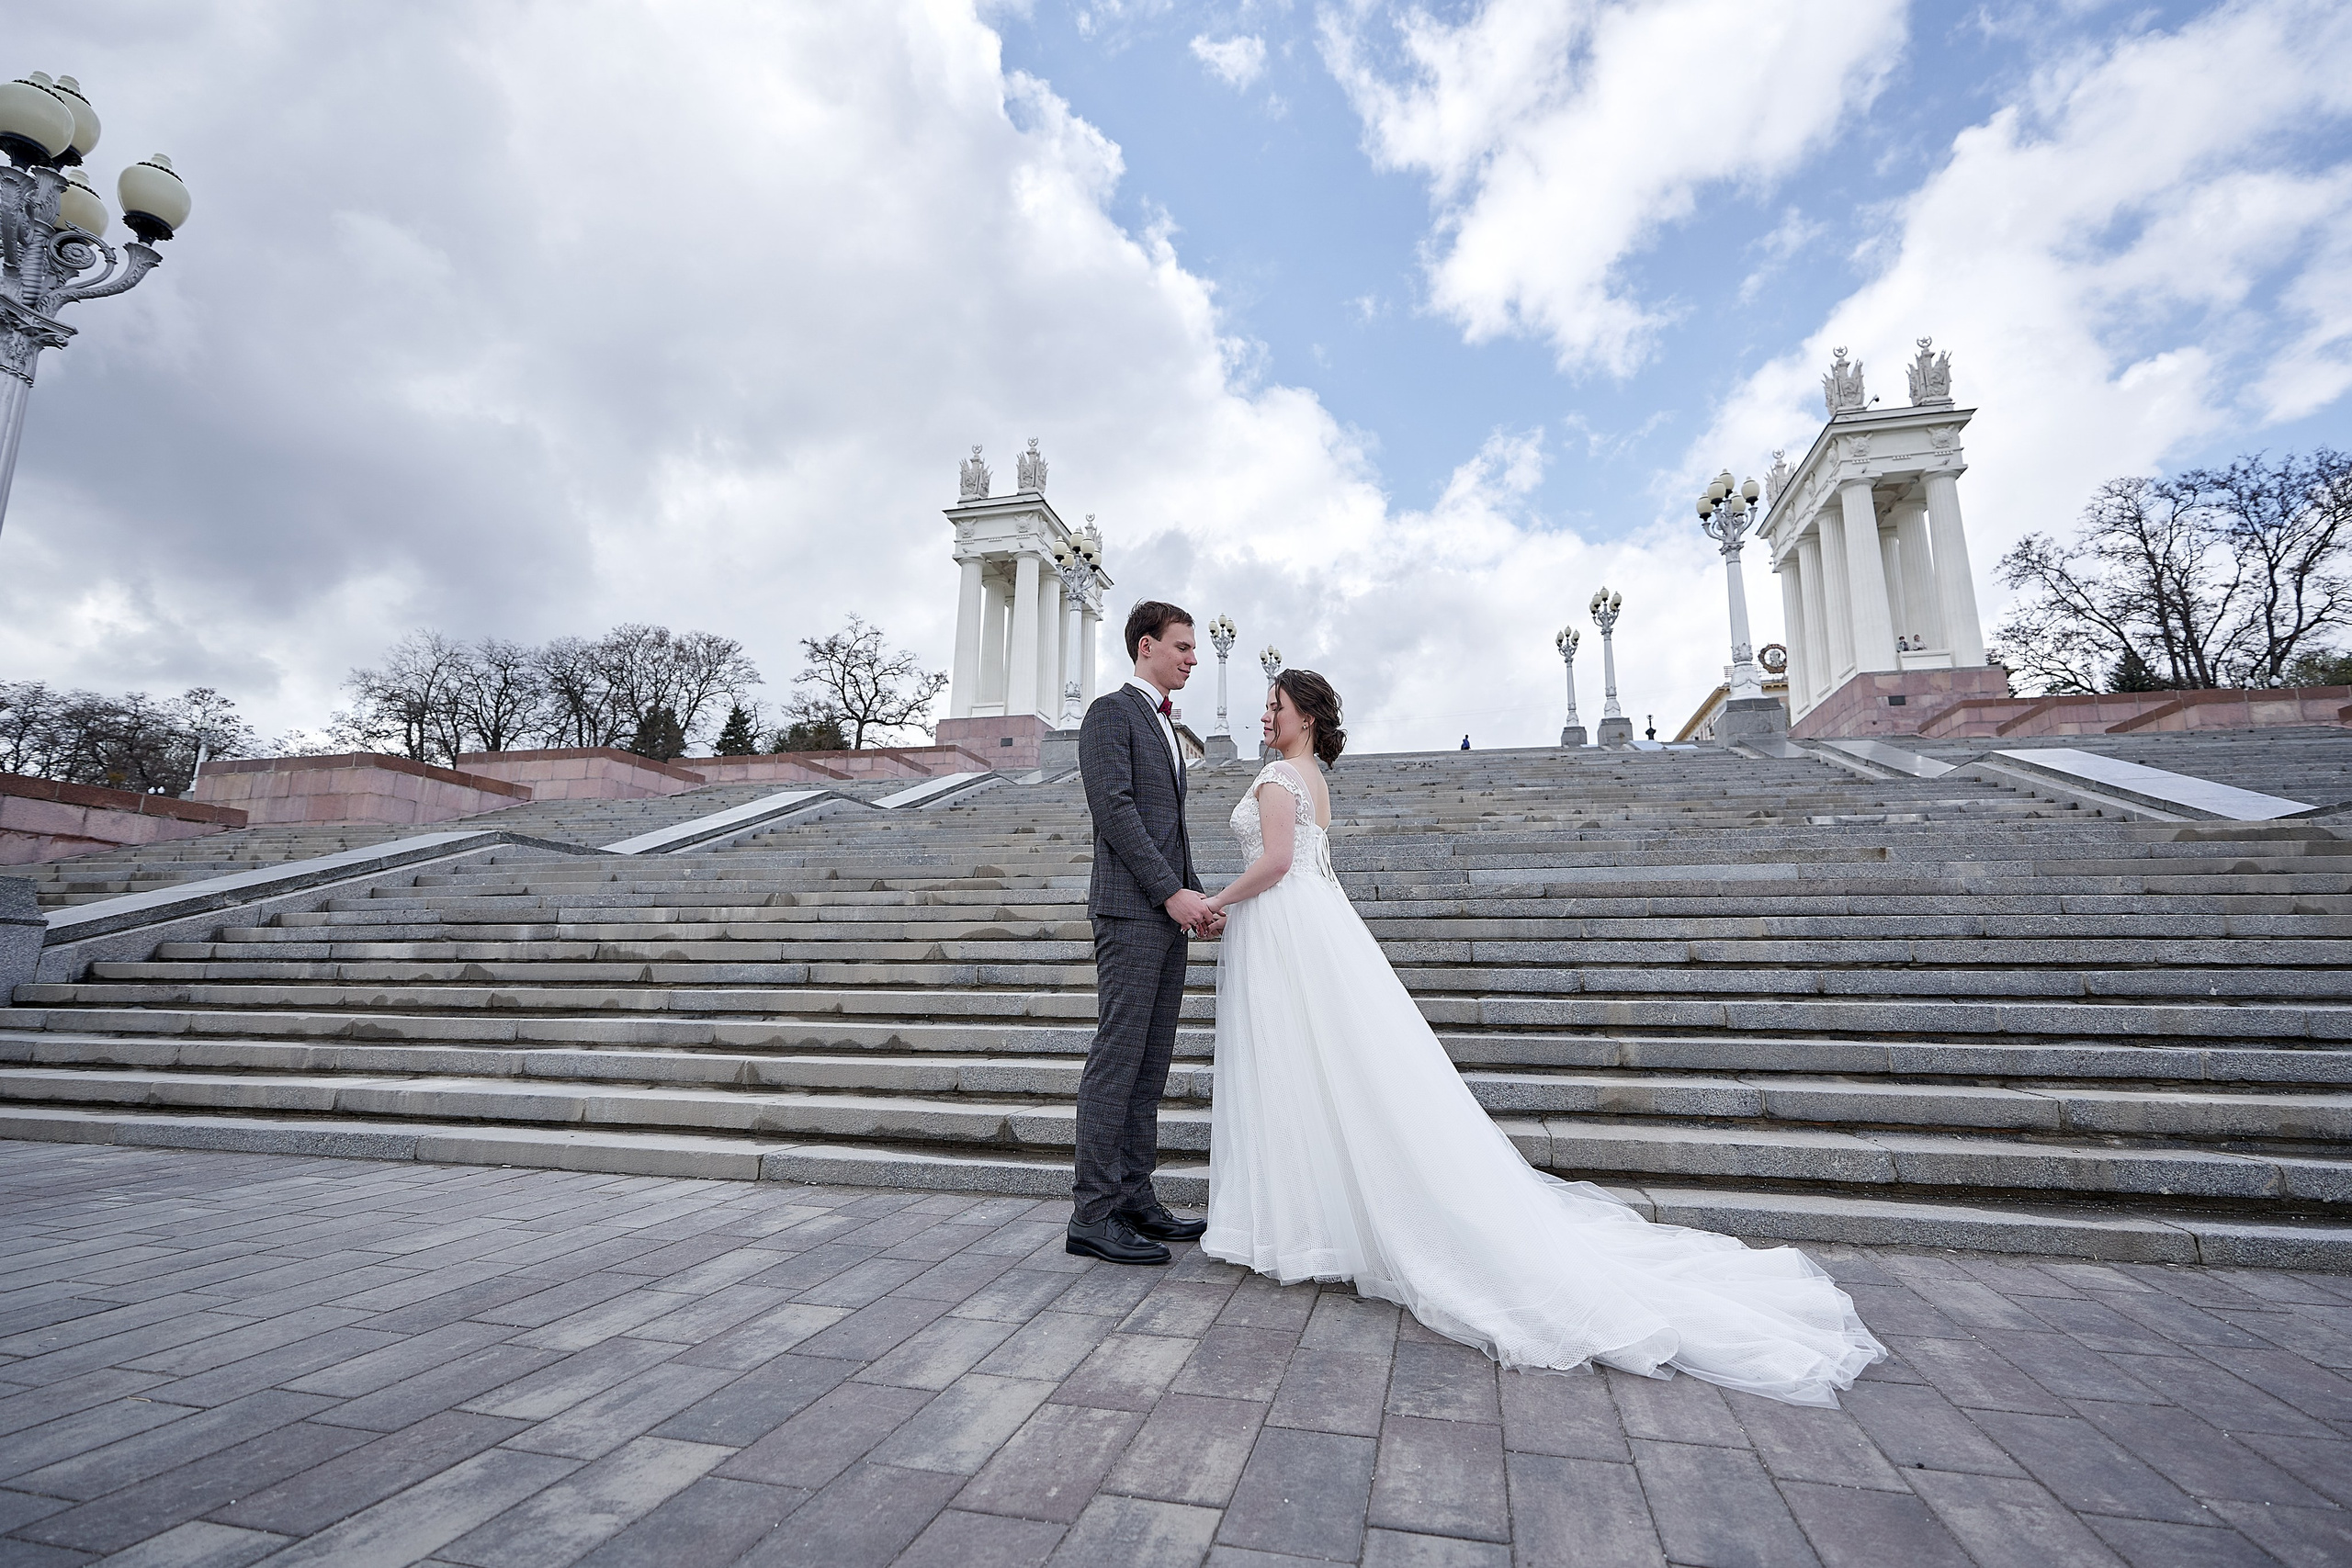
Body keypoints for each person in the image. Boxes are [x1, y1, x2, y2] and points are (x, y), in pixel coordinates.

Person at [1199, 669, 1886, 1406]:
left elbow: (1273, 863)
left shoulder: (1279, 775)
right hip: (1310, 926)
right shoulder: (1310, 775)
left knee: (1297, 1073)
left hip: (1286, 927)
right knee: (1317, 1073)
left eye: (1274, 703)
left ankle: (1298, 1227)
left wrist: (1215, 902)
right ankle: (1306, 1224)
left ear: (1303, 714)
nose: (1264, 713)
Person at [1067, 601, 1219, 1266]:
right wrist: (1169, 891)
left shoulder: (1167, 728)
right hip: (1130, 912)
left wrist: (1196, 896)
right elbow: (1117, 811)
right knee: (1118, 1058)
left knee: (1151, 1064)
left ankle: (1134, 1195)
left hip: (1164, 915)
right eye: (1183, 646)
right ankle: (1092, 1213)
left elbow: (1168, 829)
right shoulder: (1110, 713)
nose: (1192, 657)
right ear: (1146, 645)